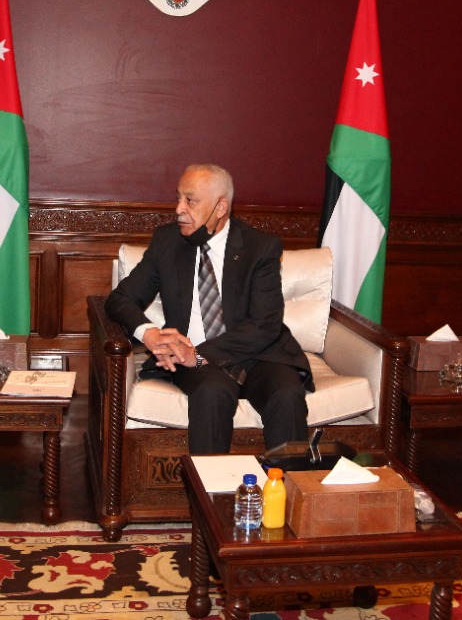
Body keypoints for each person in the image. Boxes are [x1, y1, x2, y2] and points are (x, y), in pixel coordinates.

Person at [106, 163, 311, 454]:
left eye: (190, 200)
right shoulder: (167, 242)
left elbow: (265, 324)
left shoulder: (260, 248)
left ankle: (290, 481)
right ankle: (208, 484)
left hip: (258, 354)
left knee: (287, 395)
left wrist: (200, 355)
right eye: (178, 198)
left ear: (220, 207)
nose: (179, 209)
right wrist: (150, 334)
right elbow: (120, 299)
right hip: (193, 356)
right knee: (212, 392)